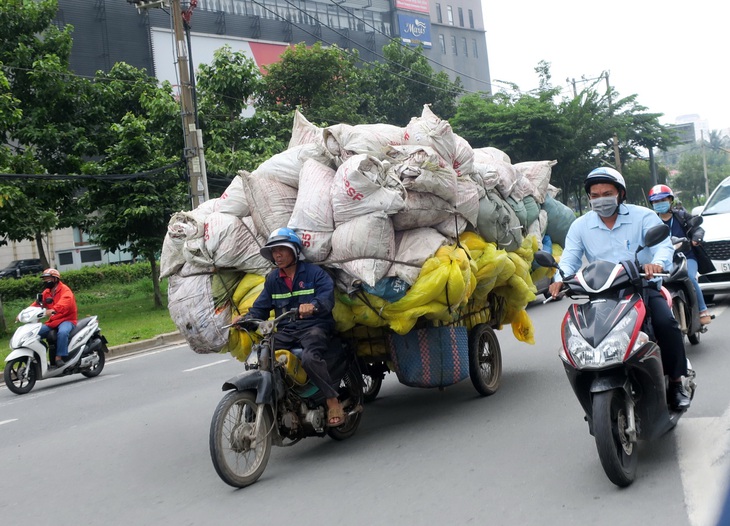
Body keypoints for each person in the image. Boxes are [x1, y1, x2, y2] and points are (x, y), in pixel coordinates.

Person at [548, 167, 691, 410]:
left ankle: (676, 382)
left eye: (607, 193)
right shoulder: (580, 226)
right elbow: (570, 258)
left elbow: (663, 245)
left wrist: (657, 264)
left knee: (666, 324)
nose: (600, 199)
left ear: (620, 194)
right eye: (594, 195)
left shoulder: (643, 216)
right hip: (601, 295)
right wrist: (559, 278)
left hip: (642, 288)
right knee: (582, 335)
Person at [238, 228, 345, 426]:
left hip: (316, 327)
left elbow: (326, 298)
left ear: (294, 251)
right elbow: (260, 308)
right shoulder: (273, 280)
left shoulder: (314, 273)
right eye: (274, 251)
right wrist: (246, 319)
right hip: (287, 329)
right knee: (259, 354)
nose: (277, 255)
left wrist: (313, 306)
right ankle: (272, 401)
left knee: (309, 357)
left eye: (282, 250)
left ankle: (332, 400)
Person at [648, 183, 712, 325]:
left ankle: (702, 310)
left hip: (685, 257)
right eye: (656, 201)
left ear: (670, 200)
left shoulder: (681, 216)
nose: (659, 203)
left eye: (663, 200)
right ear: (652, 203)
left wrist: (696, 238)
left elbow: (697, 229)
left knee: (690, 277)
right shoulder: (650, 221)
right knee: (653, 284)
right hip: (664, 260)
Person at [29, 268, 78, 369]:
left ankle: (59, 358)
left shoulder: (65, 290)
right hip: (53, 321)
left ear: (55, 279)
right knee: (34, 333)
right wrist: (25, 313)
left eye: (48, 279)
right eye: (45, 279)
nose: (46, 281)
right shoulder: (47, 292)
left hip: (67, 319)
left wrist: (52, 310)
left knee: (63, 332)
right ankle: (37, 359)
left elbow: (64, 304)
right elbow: (37, 304)